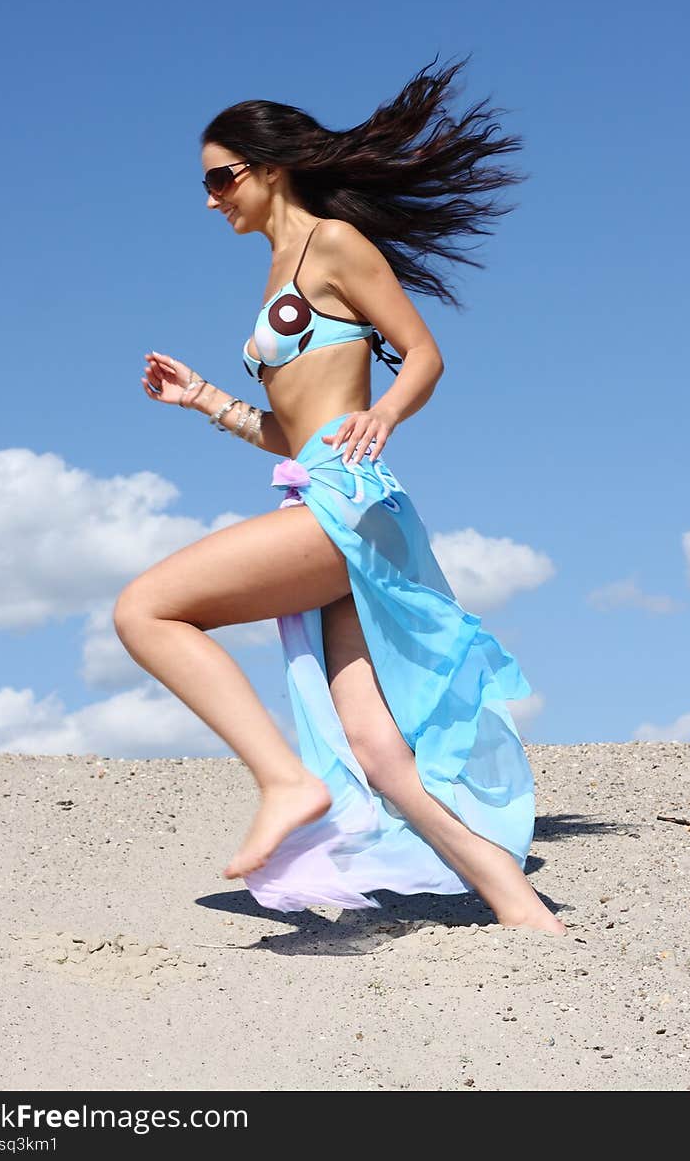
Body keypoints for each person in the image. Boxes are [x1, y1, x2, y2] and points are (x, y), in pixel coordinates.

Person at [113, 55, 565, 935]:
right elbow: (291, 428)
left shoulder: (333, 244)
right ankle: (523, 911)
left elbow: (423, 352)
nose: (211, 200)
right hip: (316, 487)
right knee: (377, 748)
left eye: (221, 178)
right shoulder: (282, 266)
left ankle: (286, 781)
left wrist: (388, 411)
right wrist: (205, 399)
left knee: (145, 611)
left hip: (347, 500)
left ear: (269, 167)